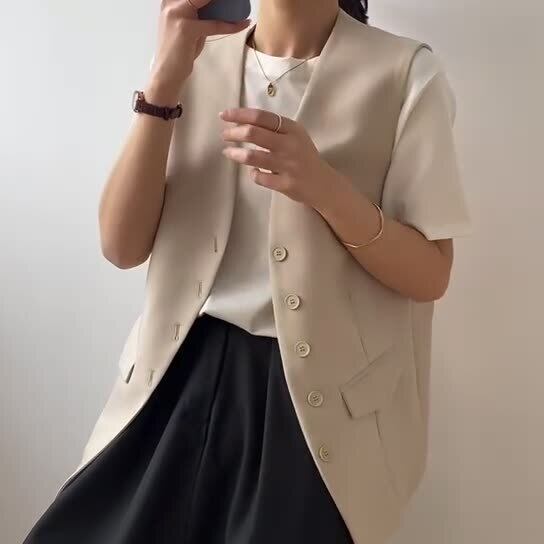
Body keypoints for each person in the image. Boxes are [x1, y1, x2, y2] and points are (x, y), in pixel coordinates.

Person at [23, 0, 472, 543]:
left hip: (314, 415)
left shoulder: (406, 74)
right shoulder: (192, 57)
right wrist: (162, 82)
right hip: (173, 382)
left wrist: (325, 189)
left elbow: (431, 274)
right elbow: (121, 247)